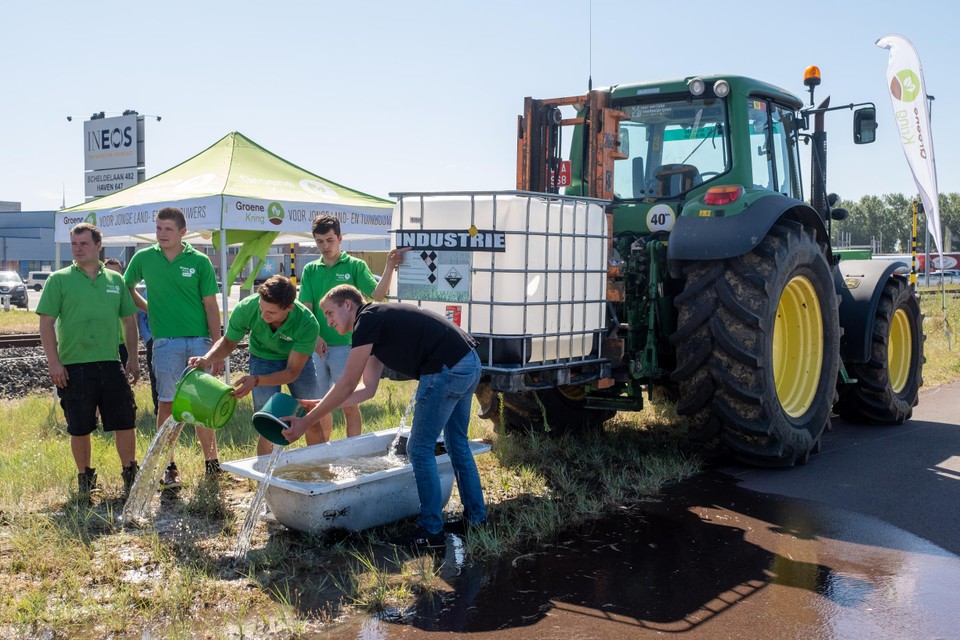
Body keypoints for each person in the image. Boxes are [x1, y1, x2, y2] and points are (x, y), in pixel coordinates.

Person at [281, 284, 486, 549]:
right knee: (457, 444)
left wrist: (307, 421)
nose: (328, 322)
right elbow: (367, 390)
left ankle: (430, 531)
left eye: (330, 313)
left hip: (445, 369)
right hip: (468, 362)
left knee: (419, 449)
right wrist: (321, 405)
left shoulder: (366, 319)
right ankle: (476, 520)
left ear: (347, 305)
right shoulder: (376, 324)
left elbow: (345, 383)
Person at [37, 223, 140, 501]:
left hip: (110, 362)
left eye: (83, 243)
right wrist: (54, 363)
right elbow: (45, 323)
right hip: (74, 365)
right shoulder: (58, 279)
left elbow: (129, 321)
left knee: (125, 421)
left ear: (98, 246)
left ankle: (130, 473)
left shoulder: (115, 280)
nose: (77, 248)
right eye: (74, 244)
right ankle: (86, 479)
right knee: (80, 426)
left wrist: (132, 357)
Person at [124, 206, 223, 488]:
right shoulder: (143, 258)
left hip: (199, 343)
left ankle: (212, 464)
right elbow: (126, 287)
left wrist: (216, 348)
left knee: (203, 404)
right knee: (167, 405)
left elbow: (210, 306)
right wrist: (149, 309)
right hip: (165, 343)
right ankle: (169, 468)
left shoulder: (200, 261)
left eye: (168, 229)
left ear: (183, 232)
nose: (162, 234)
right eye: (158, 228)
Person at [297, 214, 407, 442]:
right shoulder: (310, 270)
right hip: (317, 348)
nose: (325, 246)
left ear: (340, 238)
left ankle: (352, 452)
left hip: (347, 347)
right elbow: (306, 308)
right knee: (320, 406)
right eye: (319, 241)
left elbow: (377, 295)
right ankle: (323, 454)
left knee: (349, 403)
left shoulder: (355, 265)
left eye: (329, 240)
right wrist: (315, 337)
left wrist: (389, 266)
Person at [188, 275, 320, 456]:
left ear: (289, 308)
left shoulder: (307, 323)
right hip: (262, 358)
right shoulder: (247, 308)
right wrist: (206, 359)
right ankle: (264, 477)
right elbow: (228, 343)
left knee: (311, 417)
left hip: (297, 363)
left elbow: (292, 371)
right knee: (267, 422)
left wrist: (256, 381)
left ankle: (319, 470)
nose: (263, 315)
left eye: (271, 313)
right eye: (261, 308)